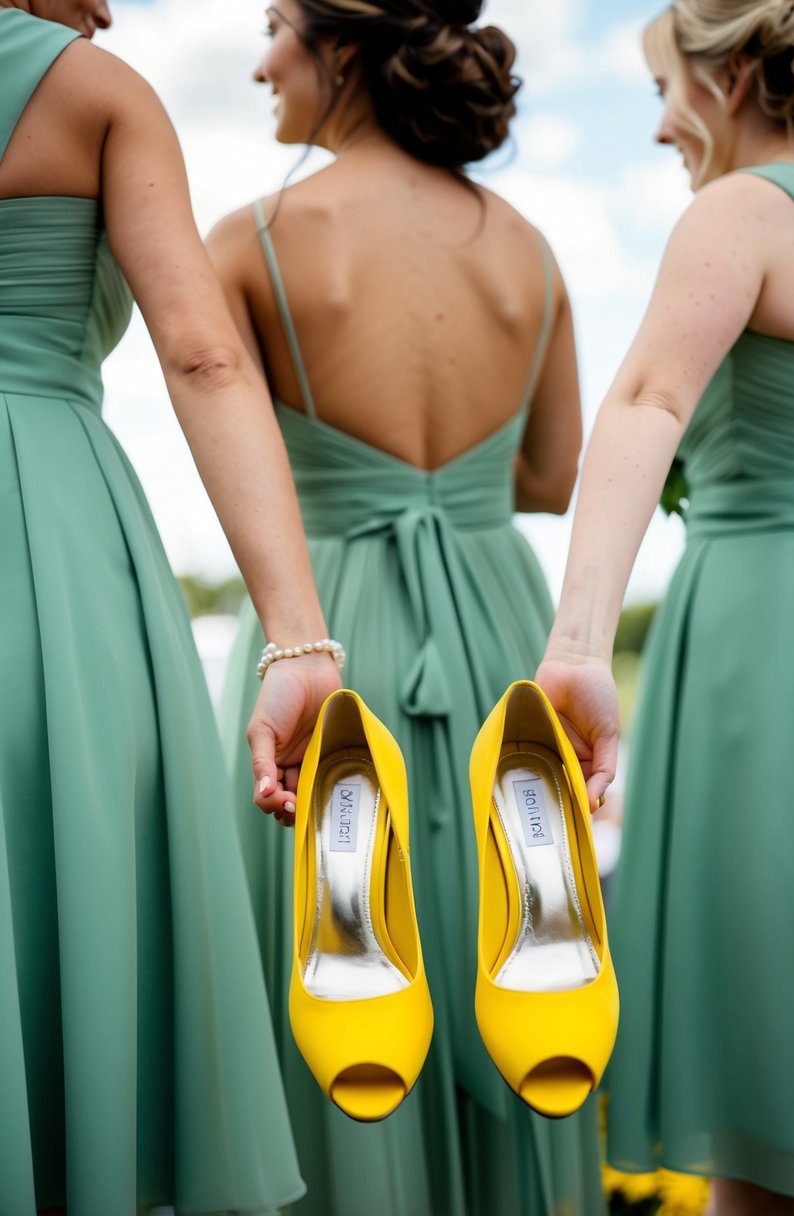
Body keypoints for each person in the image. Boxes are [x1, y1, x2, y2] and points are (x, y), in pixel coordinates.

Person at [210, 2, 604, 1213]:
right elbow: (548, 475)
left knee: (340, 971)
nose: (260, 55)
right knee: (532, 959)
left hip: (324, 629)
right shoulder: (530, 249)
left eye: (276, 23)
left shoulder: (252, 240)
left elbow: (229, 445)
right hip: (500, 634)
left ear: (341, 47)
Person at [0, 1, 343, 1212]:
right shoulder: (95, 91)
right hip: (44, 540)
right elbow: (200, 354)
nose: (103, 9)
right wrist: (296, 633)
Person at [534, 1, 794, 1213]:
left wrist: (576, 644)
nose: (659, 125)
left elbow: (651, 395)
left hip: (764, 653)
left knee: (763, 1119)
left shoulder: (741, 212)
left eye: (670, 87)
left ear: (742, 72)